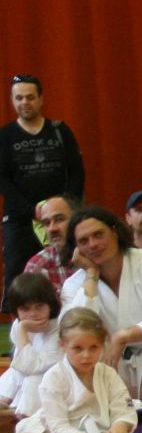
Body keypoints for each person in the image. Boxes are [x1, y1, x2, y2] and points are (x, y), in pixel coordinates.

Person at [59, 207, 142, 403]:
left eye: (98, 235)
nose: (93, 244)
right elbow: (75, 333)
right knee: (83, 353)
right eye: (83, 241)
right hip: (111, 366)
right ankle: (98, 420)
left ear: (115, 232)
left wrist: (125, 335)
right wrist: (91, 274)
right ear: (76, 249)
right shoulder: (74, 284)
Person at [1, 75, 86, 309]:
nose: (24, 102)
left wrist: (66, 207)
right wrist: (32, 210)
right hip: (20, 219)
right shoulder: (4, 136)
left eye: (30, 97)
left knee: (72, 268)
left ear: (41, 99)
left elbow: (77, 172)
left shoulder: (59, 130)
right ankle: (20, 330)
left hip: (63, 217)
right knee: (17, 282)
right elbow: (3, 180)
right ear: (12, 100)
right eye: (19, 98)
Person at [0, 273, 62, 424]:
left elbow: (33, 367)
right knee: (14, 371)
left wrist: (22, 331)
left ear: (50, 305)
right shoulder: (19, 325)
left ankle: (26, 420)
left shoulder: (59, 328)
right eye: (25, 308)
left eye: (39, 306)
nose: (33, 314)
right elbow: (19, 366)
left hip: (56, 386)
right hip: (27, 380)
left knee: (34, 378)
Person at [23, 194, 79, 289]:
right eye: (46, 223)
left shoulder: (96, 252)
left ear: (76, 220)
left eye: (59, 219)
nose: (52, 229)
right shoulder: (37, 268)